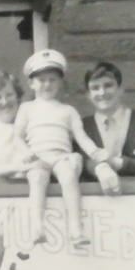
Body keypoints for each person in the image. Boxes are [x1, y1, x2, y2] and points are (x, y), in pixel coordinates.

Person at [15, 49, 109, 250]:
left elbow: (81, 137)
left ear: (60, 83)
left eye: (52, 80)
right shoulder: (27, 109)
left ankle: (75, 229)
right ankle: (37, 227)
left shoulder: (68, 111)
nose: (47, 84)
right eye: (41, 80)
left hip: (61, 157)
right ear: (32, 84)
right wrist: (24, 152)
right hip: (38, 158)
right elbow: (17, 136)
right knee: (38, 179)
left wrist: (95, 152)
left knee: (68, 176)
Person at [79, 61, 135, 195]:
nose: (102, 92)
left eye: (108, 85)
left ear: (121, 89)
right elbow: (78, 165)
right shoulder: (82, 127)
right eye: (95, 88)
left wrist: (118, 163)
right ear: (88, 94)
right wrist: (99, 168)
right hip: (96, 203)